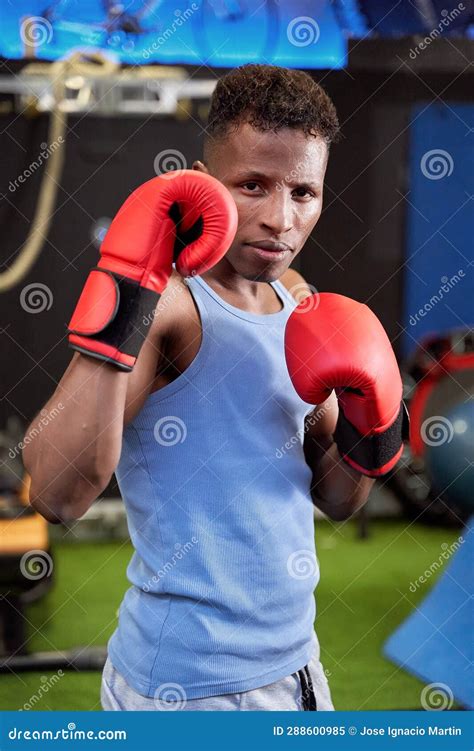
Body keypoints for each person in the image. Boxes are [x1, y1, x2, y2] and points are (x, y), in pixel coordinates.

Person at [23, 64, 404, 711]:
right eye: (252, 185)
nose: (281, 218)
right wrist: (126, 294)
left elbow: (337, 497)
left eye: (304, 192)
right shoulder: (171, 305)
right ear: (203, 182)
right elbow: (56, 491)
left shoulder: (299, 301)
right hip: (185, 686)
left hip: (296, 664)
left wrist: (376, 425)